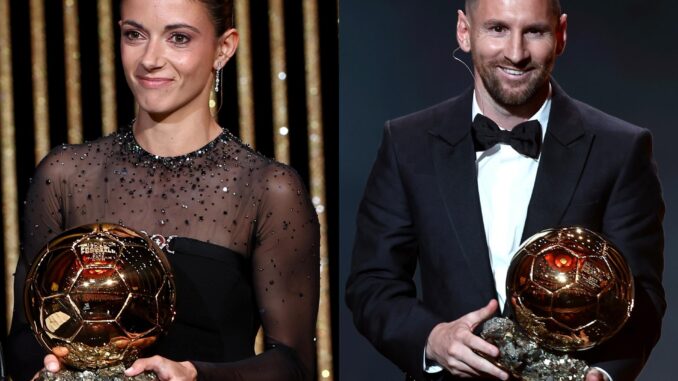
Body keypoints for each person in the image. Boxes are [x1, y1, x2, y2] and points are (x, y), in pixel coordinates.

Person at [345, 0, 665, 380]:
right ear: (464, 31)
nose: (516, 53)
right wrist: (433, 338)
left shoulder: (620, 148)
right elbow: (373, 284)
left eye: (534, 31)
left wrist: (601, 374)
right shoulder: (407, 143)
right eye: (497, 29)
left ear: (560, 35)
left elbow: (640, 299)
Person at [6, 0, 319, 380]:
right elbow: (24, 337)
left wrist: (195, 375)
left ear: (224, 48)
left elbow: (292, 363)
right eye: (135, 35)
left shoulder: (267, 189)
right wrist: (44, 369)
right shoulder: (66, 176)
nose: (150, 59)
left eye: (179, 38)